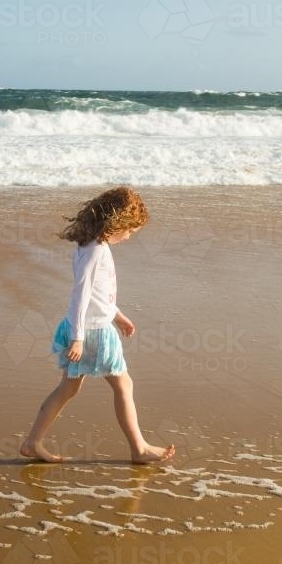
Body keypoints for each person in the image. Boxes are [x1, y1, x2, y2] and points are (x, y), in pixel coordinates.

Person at [20, 187, 175, 464]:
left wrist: (119, 316)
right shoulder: (96, 252)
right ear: (116, 222)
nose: (128, 237)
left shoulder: (89, 245)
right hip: (93, 333)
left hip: (86, 326)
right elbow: (80, 294)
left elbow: (98, 296)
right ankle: (138, 448)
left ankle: (33, 442)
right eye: (129, 231)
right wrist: (78, 338)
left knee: (68, 388)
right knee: (123, 384)